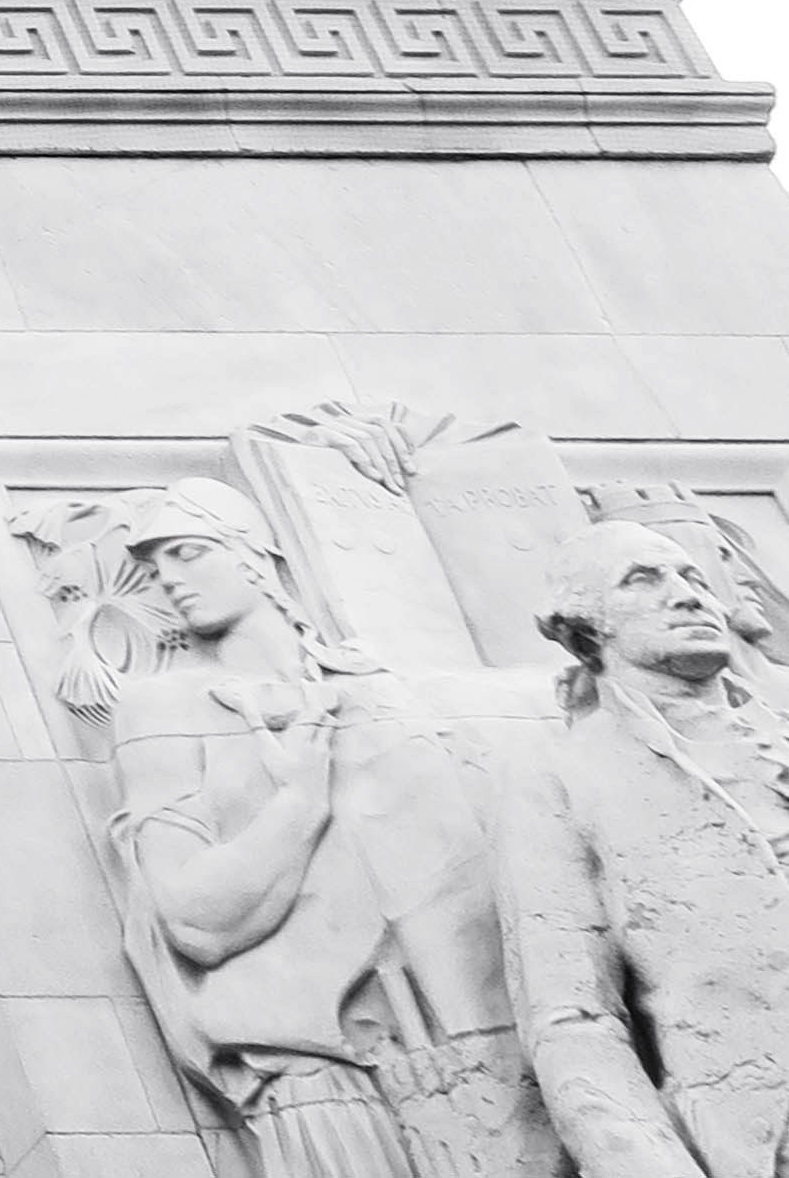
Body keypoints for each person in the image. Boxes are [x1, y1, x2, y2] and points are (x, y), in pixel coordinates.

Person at [47, 482, 546, 1176]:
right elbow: (194, 921)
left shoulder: (384, 687)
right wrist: (298, 800)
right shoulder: (165, 707)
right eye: (156, 568)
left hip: (497, 1060)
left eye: (188, 551)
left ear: (257, 553)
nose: (169, 579)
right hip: (324, 1081)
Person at [510, 525, 789, 1176]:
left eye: (693, 578)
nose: (688, 596)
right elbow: (573, 1018)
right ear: (584, 630)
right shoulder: (564, 773)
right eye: (642, 579)